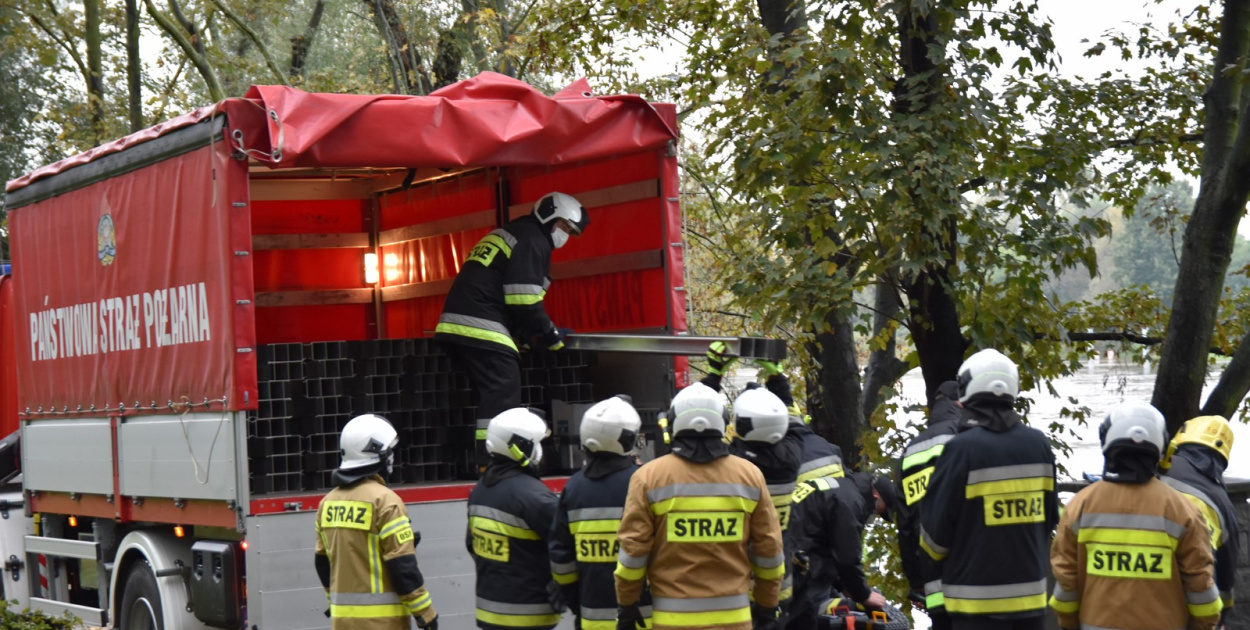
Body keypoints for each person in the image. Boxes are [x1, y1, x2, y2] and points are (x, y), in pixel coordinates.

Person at [615, 382, 786, 630]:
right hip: (735, 623)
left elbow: (633, 552)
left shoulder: (648, 477)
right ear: (723, 421)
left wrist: (627, 605)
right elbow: (769, 550)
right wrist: (768, 607)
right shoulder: (749, 475)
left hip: (671, 624)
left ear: (674, 422)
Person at [435, 192, 589, 461]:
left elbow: (509, 294)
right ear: (549, 216)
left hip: (461, 321)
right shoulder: (534, 241)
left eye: (570, 232)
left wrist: (527, 335)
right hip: (481, 322)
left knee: (487, 395)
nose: (565, 235)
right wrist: (548, 334)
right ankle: (492, 461)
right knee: (503, 390)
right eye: (564, 227)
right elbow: (522, 298)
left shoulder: (517, 232)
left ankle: (483, 460)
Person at [1049, 401, 1222, 630]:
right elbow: (1200, 584)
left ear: (1107, 442)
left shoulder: (1079, 506)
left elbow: (1066, 583)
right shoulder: (1183, 511)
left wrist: (1069, 624)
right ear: (1161, 448)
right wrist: (1204, 626)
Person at [919, 349, 1058, 630]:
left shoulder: (960, 449)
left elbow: (933, 541)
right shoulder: (1039, 445)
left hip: (974, 608)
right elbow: (1050, 519)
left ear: (967, 391)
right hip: (1030, 605)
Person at [314, 414, 438, 630]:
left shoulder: (327, 503)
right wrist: (425, 614)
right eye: (389, 451)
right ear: (376, 452)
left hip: (342, 623)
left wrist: (334, 602)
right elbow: (402, 567)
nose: (392, 457)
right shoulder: (385, 501)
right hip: (383, 624)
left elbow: (323, 563)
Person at [548, 396, 653, 630]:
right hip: (644, 618)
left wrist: (576, 603)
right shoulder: (644, 482)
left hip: (591, 618)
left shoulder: (573, 487)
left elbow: (561, 557)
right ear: (628, 439)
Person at [468, 408, 563, 630]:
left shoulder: (479, 491)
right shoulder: (533, 496)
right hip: (529, 615)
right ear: (523, 446)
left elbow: (472, 545)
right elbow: (568, 543)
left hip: (489, 613)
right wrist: (563, 583)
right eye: (537, 443)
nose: (540, 450)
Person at [704, 342, 844, 482]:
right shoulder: (793, 454)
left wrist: (714, 376)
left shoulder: (732, 461)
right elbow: (794, 424)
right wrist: (776, 376)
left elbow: (696, 432)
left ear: (740, 424)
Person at [786, 471, 894, 630]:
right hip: (797, 561)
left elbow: (831, 546)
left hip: (789, 550)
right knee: (804, 616)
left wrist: (845, 586)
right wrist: (864, 595)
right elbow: (847, 557)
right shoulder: (851, 502)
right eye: (882, 511)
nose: (878, 515)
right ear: (876, 495)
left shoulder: (842, 488)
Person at [730, 386, 802, 619]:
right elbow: (796, 426)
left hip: (741, 586)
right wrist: (780, 384)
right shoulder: (792, 458)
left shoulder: (733, 465)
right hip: (781, 585)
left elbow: (701, 437)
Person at [894, 380, 961, 628]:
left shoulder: (911, 450)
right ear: (961, 402)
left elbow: (905, 525)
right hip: (968, 566)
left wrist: (915, 580)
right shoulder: (965, 435)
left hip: (931, 573)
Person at [1162, 415, 1240, 621]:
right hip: (1194, 597)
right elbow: (1227, 565)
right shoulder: (1221, 500)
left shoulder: (1155, 468)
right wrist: (1225, 613)